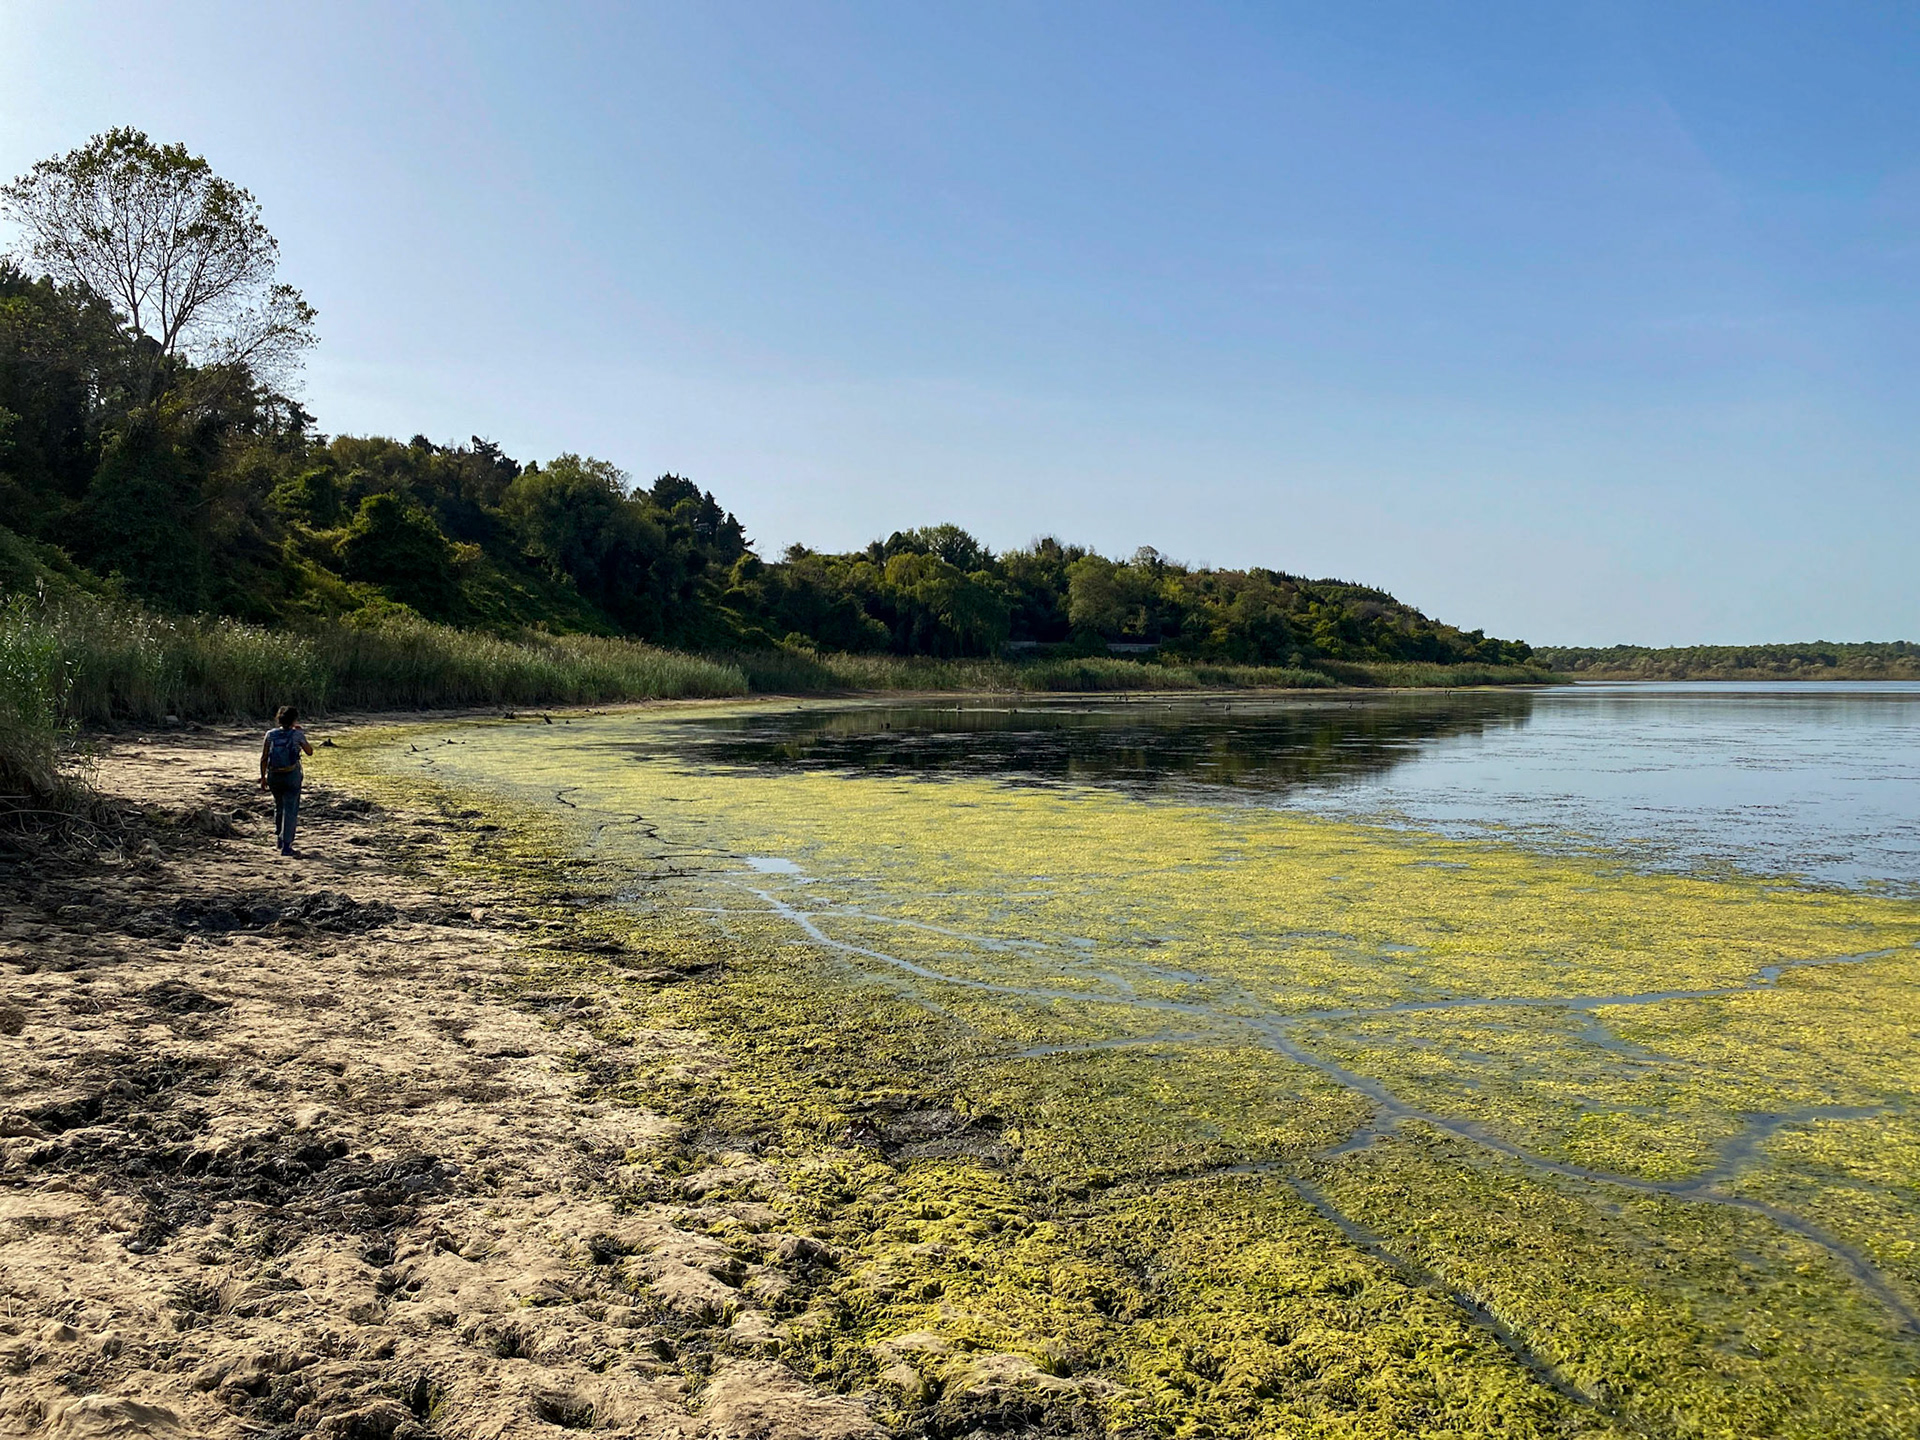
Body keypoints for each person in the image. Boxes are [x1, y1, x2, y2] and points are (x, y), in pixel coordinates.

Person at [259, 706, 314, 856]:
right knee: (291, 809)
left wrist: (263, 777)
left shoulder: (270, 734)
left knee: (279, 806)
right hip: (291, 775)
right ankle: (287, 845)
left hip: (274, 775)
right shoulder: (297, 735)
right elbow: (310, 752)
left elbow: (264, 758)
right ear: (294, 720)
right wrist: (301, 734)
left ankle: (279, 838)